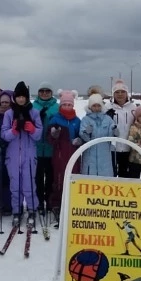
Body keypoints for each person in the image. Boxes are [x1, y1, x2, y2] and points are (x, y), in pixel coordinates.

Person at [0, 81, 43, 230]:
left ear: (26, 97)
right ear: (15, 98)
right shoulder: (9, 114)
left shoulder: (34, 113)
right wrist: (13, 131)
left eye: (23, 96)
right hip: (12, 156)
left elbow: (39, 135)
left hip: (29, 155)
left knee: (29, 185)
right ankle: (16, 211)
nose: (20, 99)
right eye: (18, 96)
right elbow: (4, 135)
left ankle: (32, 210)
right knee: (15, 186)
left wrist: (32, 129)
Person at [47, 90, 81, 226]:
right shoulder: (55, 119)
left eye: (69, 104)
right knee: (59, 179)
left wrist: (79, 140)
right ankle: (57, 204)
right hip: (59, 155)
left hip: (73, 155)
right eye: (64, 104)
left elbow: (82, 135)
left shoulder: (77, 120)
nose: (67, 107)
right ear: (61, 105)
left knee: (73, 178)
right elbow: (48, 138)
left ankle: (72, 204)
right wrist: (54, 136)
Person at [33, 81, 59, 217]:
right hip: (36, 148)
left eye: (47, 91)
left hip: (51, 149)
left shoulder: (56, 107)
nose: (44, 93)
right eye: (42, 91)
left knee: (50, 177)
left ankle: (49, 201)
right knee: (37, 177)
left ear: (51, 93)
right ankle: (38, 201)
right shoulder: (33, 106)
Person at [79, 93, 118, 177]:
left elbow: (111, 135)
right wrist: (86, 132)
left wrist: (114, 131)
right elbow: (83, 136)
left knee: (104, 179)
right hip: (90, 155)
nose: (96, 108)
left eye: (98, 106)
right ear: (90, 107)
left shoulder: (108, 119)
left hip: (104, 155)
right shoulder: (85, 120)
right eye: (94, 106)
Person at [106, 79, 137, 177]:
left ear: (127, 94)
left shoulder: (133, 107)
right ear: (113, 94)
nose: (120, 94)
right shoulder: (107, 107)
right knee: (112, 175)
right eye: (117, 92)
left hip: (129, 148)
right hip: (113, 148)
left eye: (123, 92)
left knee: (125, 175)